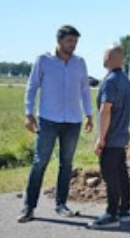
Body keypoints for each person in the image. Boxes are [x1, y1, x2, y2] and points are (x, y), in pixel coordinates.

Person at [18, 25, 94, 223]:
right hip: (48, 119)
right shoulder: (44, 61)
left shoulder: (80, 63)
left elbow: (85, 89)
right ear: (59, 41)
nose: (73, 45)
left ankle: (61, 204)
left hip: (73, 120)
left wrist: (89, 114)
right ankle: (29, 207)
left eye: (75, 42)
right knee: (40, 161)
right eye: (70, 41)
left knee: (66, 163)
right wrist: (28, 113)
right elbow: (32, 87)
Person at [88, 45, 130, 229]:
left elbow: (105, 111)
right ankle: (124, 211)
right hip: (122, 136)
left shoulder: (110, 82)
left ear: (109, 57)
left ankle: (111, 214)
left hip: (111, 136)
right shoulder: (125, 81)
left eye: (105, 54)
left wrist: (101, 138)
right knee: (122, 174)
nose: (103, 57)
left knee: (110, 176)